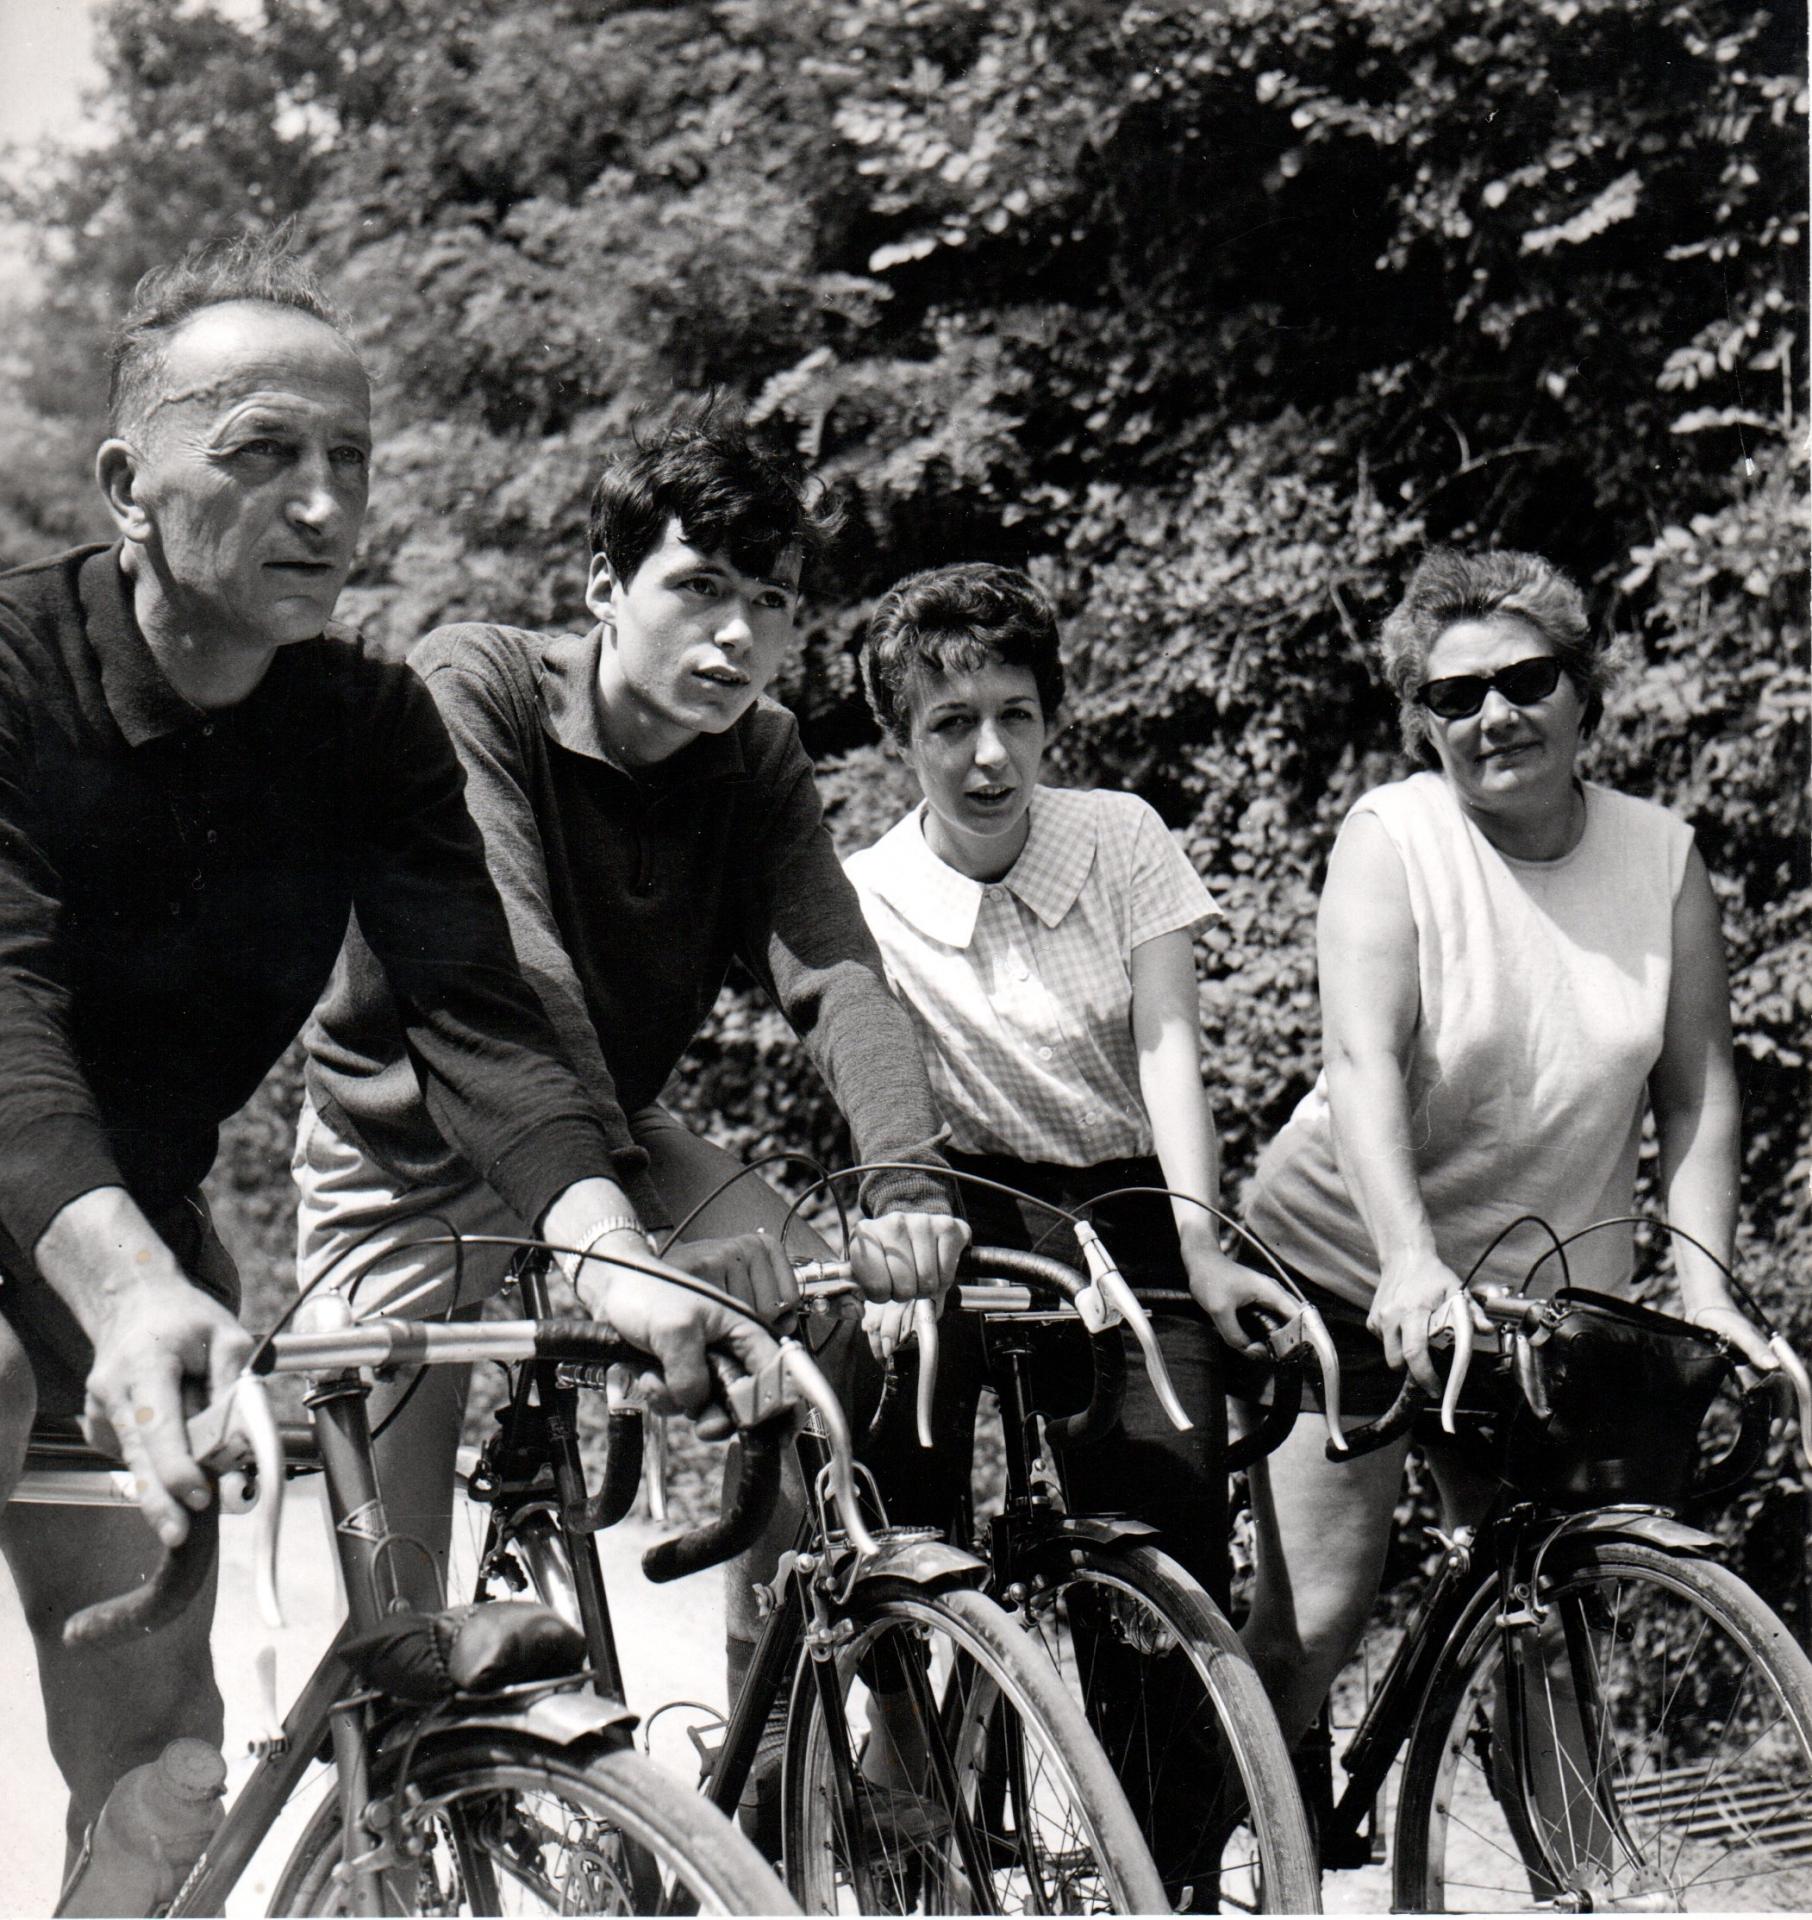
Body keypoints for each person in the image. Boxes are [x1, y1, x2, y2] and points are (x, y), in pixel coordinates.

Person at [0, 238, 780, 1867]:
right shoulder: (12, 670)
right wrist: (131, 1289)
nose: (320, 504)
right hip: (80, 1256)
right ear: (129, 484)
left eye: (348, 460)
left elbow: (475, 1019)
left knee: (159, 1799)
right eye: (263, 453)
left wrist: (612, 1249)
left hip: (125, 1245)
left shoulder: (361, 726)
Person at [294, 407, 970, 1755]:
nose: (737, 637)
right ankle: (387, 1834)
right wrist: (622, 1247)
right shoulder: (475, 690)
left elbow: (835, 977)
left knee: (823, 1333)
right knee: (398, 1612)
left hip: (612, 1130)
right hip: (406, 1155)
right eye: (699, 588)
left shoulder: (758, 753)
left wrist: (902, 1187)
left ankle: (765, 1725)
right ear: (607, 590)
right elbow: (514, 972)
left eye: (771, 603)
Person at [1238, 546, 1776, 1754]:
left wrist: (1705, 1293)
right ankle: (1225, 1861)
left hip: (1546, 1298)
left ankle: (1570, 1885)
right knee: (1318, 1615)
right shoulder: (1395, 841)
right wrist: (1408, 1260)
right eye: (1455, 695)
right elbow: (1362, 1063)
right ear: (1424, 724)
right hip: (1346, 1264)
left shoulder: (1661, 857)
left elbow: (1696, 1092)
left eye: (1528, 679)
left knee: (1554, 1623)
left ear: (1583, 691)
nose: (1496, 714)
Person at [844, 562, 1298, 1595]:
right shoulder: (867, 894)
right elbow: (882, 1094)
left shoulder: (1120, 834)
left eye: (1017, 715)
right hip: (971, 1213)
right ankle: (903, 1712)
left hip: (1134, 1207)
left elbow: (1168, 1052)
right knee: (892, 1478)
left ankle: (1149, 1742)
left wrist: (1201, 1244)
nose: (990, 755)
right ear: (901, 738)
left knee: (1167, 1551)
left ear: (1052, 719)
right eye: (950, 724)